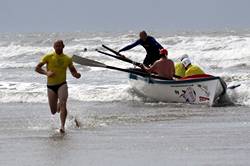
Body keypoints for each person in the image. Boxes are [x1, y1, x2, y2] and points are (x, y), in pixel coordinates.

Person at [35, 40, 81, 133]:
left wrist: (77, 75)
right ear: (53, 47)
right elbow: (37, 68)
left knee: (63, 103)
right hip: (51, 86)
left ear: (63, 46)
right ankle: (63, 108)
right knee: (54, 111)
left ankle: (62, 127)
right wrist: (46, 72)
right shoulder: (48, 57)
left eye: (59, 46)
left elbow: (73, 71)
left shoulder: (67, 59)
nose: (57, 48)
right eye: (56, 46)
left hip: (62, 84)